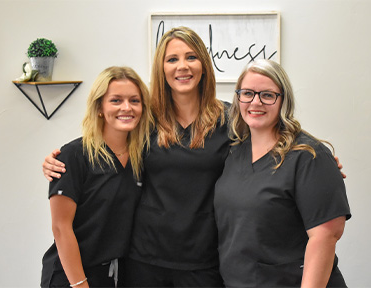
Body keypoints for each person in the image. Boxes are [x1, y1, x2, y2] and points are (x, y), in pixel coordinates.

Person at [41, 28, 346, 287]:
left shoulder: (231, 120)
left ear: (204, 65)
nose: (182, 66)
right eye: (172, 59)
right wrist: (60, 160)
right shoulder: (145, 121)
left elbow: (274, 134)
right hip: (144, 258)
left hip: (205, 260)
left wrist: (320, 164)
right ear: (161, 68)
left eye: (191, 57)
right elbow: (104, 144)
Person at [214, 59, 351, 287]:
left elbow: (327, 235)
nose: (255, 102)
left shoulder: (309, 156)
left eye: (267, 95)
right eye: (247, 93)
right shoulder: (233, 151)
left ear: (283, 100)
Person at [41, 66, 153, 288]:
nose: (126, 108)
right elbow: (61, 227)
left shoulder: (144, 157)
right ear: (100, 107)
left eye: (134, 100)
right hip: (71, 276)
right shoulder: (73, 156)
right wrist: (80, 284)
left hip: (115, 275)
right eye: (116, 100)